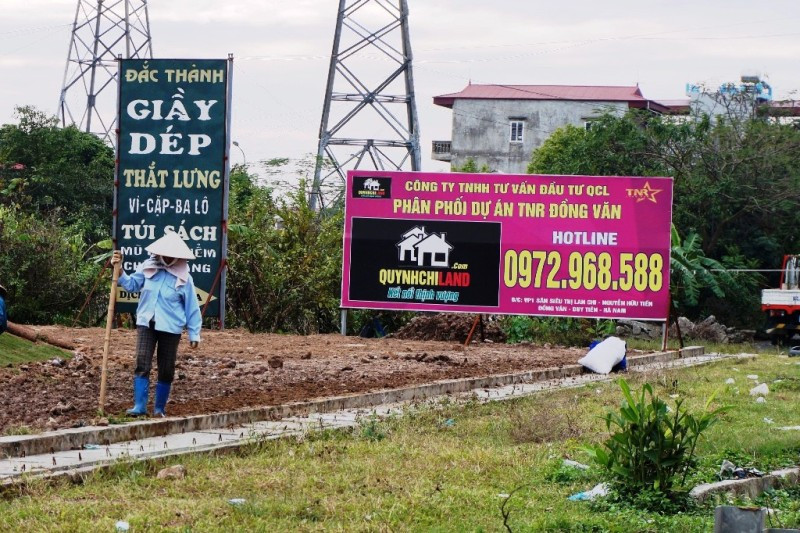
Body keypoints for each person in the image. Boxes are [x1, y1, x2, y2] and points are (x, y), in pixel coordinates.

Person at [111, 231, 202, 417]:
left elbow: (192, 308)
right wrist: (119, 270)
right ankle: (139, 406)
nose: (167, 258)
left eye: (172, 255)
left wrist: (194, 334)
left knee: (166, 368)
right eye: (164, 253)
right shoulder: (148, 267)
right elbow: (131, 285)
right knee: (142, 362)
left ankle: (159, 409)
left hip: (171, 327)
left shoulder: (184, 278)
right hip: (147, 322)